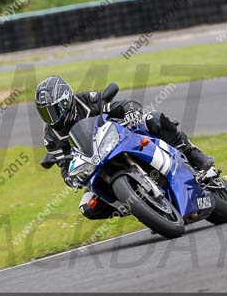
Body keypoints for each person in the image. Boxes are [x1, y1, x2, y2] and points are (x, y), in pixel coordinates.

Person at [34, 75, 215, 219]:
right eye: (44, 113)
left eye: (53, 110)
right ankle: (143, 208)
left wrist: (131, 111)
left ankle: (193, 154)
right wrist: (70, 178)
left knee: (152, 118)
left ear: (65, 101)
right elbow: (64, 166)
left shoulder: (87, 101)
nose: (50, 117)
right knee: (87, 207)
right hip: (94, 164)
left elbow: (120, 105)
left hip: (118, 137)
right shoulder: (51, 137)